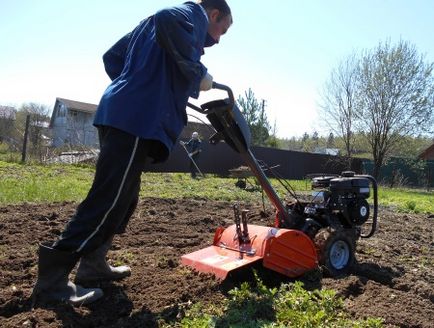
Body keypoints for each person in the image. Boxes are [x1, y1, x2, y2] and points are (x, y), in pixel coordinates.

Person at [32, 0, 232, 306]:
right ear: (214, 14)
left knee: (125, 198)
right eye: (222, 29)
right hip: (135, 118)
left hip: (125, 112)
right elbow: (168, 17)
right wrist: (195, 71)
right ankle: (52, 282)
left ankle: (93, 263)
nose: (218, 39)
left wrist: (139, 82)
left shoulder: (148, 27)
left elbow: (112, 57)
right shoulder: (188, 14)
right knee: (108, 198)